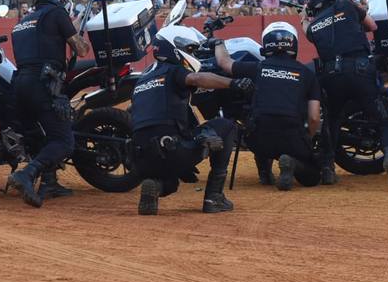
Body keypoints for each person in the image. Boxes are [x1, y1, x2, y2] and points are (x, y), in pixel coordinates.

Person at [303, 0, 388, 190]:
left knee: (331, 120)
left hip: (332, 75)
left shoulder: (314, 25)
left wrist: (304, 19)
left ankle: (327, 169)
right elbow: (372, 25)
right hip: (361, 70)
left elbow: (309, 34)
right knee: (384, 115)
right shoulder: (348, 5)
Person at [130, 25, 239, 216]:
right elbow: (197, 78)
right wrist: (233, 83)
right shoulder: (173, 70)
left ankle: (155, 185)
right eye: (189, 49)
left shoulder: (143, 79)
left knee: (170, 183)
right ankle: (214, 198)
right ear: (172, 48)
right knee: (227, 127)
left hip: (140, 158)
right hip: (170, 148)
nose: (193, 54)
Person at [5, 0, 89, 207]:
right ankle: (26, 174)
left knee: (42, 136)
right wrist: (80, 29)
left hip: (19, 86)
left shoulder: (21, 22)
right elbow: (80, 50)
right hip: (43, 85)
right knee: (63, 141)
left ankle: (49, 182)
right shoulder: (57, 14)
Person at [214, 22, 323, 191]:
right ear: (293, 44)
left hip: (260, 138)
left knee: (259, 125)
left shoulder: (257, 67)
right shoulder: (307, 74)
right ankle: (292, 163)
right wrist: (306, 136)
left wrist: (218, 43)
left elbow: (224, 62)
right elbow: (314, 117)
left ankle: (265, 173)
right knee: (312, 176)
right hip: (291, 135)